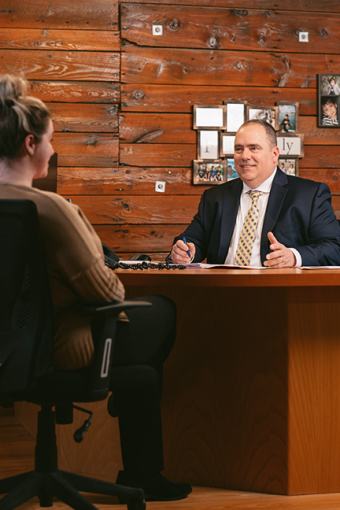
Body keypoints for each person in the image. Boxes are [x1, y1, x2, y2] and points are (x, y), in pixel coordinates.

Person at [0, 74, 192, 502]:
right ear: (31, 145)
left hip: (6, 350)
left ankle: (134, 409)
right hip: (55, 349)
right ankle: (141, 469)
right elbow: (106, 292)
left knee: (142, 375)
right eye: (50, 140)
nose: (52, 150)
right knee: (162, 310)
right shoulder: (50, 209)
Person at [170, 119, 340, 268]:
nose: (245, 156)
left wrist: (294, 257)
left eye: (254, 148)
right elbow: (193, 241)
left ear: (274, 154)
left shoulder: (309, 195)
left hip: (282, 292)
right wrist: (185, 252)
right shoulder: (214, 197)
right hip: (221, 291)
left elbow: (334, 248)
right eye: (239, 149)